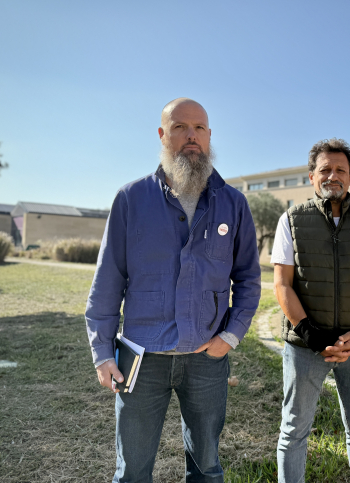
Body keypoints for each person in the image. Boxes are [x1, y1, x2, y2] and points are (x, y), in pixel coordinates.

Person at [85, 98, 261, 482]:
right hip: (141, 358)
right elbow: (108, 281)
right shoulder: (131, 199)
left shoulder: (233, 204)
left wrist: (230, 336)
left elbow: (249, 278)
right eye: (180, 127)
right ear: (163, 135)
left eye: (199, 128)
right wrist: (102, 352)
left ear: (209, 136)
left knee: (207, 468)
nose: (191, 136)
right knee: (132, 472)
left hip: (206, 360)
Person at [272, 138, 350, 483]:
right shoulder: (291, 220)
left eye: (340, 170)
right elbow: (282, 284)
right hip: (305, 347)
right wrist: (311, 335)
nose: (332, 176)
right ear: (312, 176)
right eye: (325, 169)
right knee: (294, 430)